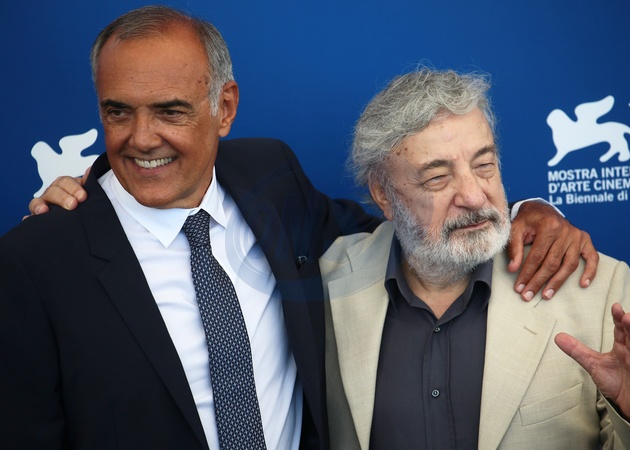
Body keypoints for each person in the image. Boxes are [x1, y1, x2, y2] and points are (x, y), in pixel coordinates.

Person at [0, 6, 596, 450]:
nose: (142, 138)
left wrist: (526, 213)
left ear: (224, 108)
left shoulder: (271, 178)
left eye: (170, 111)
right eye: (118, 112)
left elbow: (408, 225)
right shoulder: (36, 261)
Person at [321, 68, 630, 449]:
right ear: (383, 193)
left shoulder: (597, 290)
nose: (474, 196)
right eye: (438, 178)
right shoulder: (324, 287)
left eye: (484, 165)